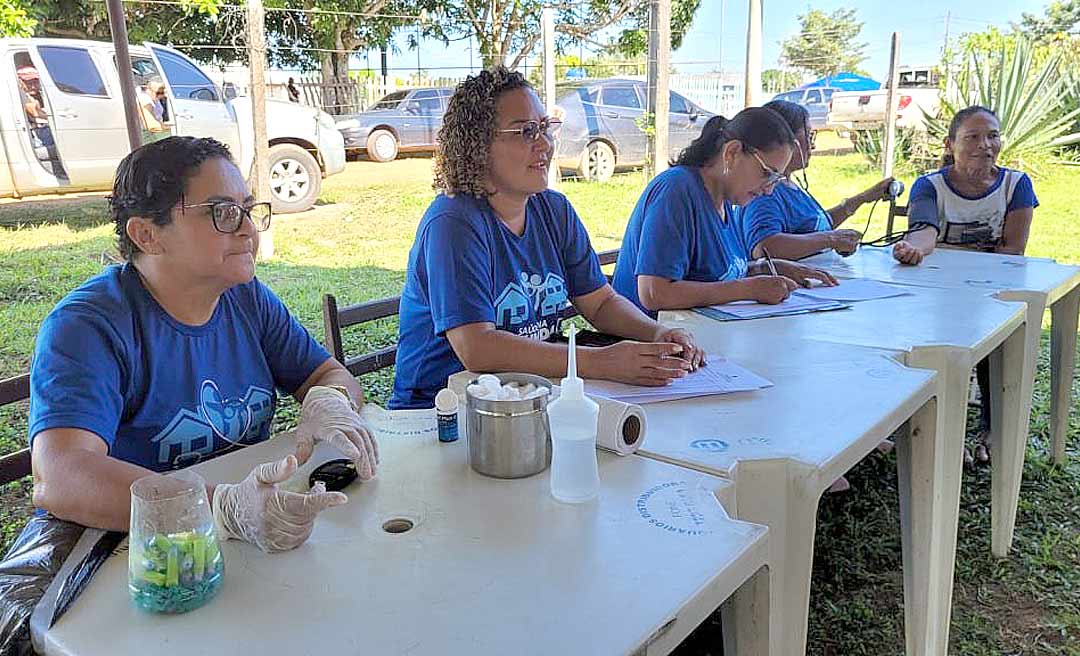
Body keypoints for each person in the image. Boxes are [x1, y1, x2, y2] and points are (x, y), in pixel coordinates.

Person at [27, 137, 378, 553]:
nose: (248, 229)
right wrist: (221, 507)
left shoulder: (246, 298)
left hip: (249, 541)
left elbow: (326, 373)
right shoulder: (89, 327)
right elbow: (61, 476)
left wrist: (330, 399)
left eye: (247, 209)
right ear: (147, 234)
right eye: (223, 213)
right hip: (143, 557)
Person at [389, 67, 704, 410]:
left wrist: (655, 333)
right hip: (442, 414)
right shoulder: (453, 223)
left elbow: (599, 303)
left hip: (526, 400)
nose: (545, 144)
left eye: (544, 128)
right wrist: (603, 361)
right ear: (478, 145)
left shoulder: (553, 210)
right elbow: (478, 348)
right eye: (526, 132)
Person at [611, 107, 838, 317]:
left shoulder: (725, 199)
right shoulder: (677, 190)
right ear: (732, 152)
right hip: (649, 344)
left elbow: (714, 275)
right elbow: (654, 293)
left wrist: (763, 269)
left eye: (776, 179)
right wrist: (747, 289)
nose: (769, 190)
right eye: (767, 173)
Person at [908, 105, 1039, 462]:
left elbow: (1012, 251)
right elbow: (923, 232)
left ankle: (990, 430)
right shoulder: (930, 185)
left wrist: (943, 248)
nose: (985, 145)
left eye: (992, 136)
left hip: (992, 293)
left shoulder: (1017, 185)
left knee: (995, 345)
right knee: (935, 349)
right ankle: (939, 434)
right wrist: (918, 246)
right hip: (937, 295)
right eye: (973, 137)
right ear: (951, 144)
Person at [739, 100, 928, 263]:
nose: (813, 145)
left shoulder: (789, 184)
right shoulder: (766, 191)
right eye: (809, 136)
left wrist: (863, 198)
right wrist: (830, 239)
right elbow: (765, 246)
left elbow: (814, 226)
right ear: (787, 139)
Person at [136, 77, 170, 143]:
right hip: (148, 135)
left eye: (163, 92)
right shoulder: (144, 99)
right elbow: (151, 125)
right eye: (159, 93)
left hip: (155, 132)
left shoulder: (155, 99)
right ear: (148, 89)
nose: (162, 96)